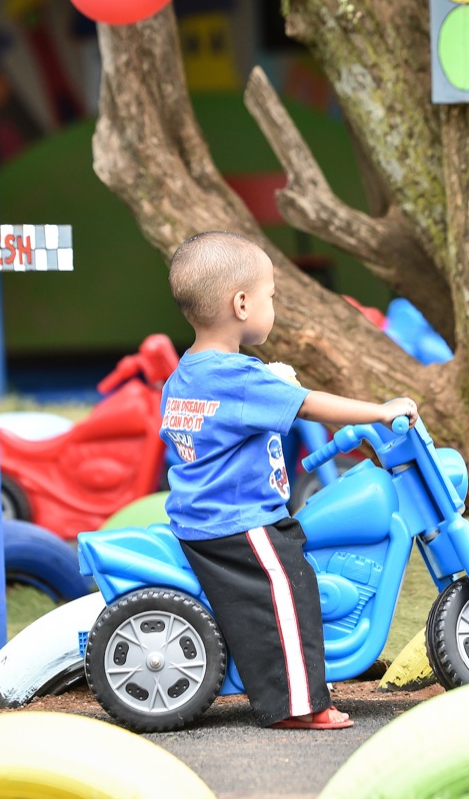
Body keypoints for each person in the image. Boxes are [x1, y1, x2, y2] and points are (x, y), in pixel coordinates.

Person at [159, 230, 418, 729]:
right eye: (271, 296)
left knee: (294, 572)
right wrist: (380, 412)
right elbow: (311, 404)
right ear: (240, 304)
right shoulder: (237, 376)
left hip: (211, 515)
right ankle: (298, 705)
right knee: (291, 590)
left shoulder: (189, 372)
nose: (272, 306)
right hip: (237, 521)